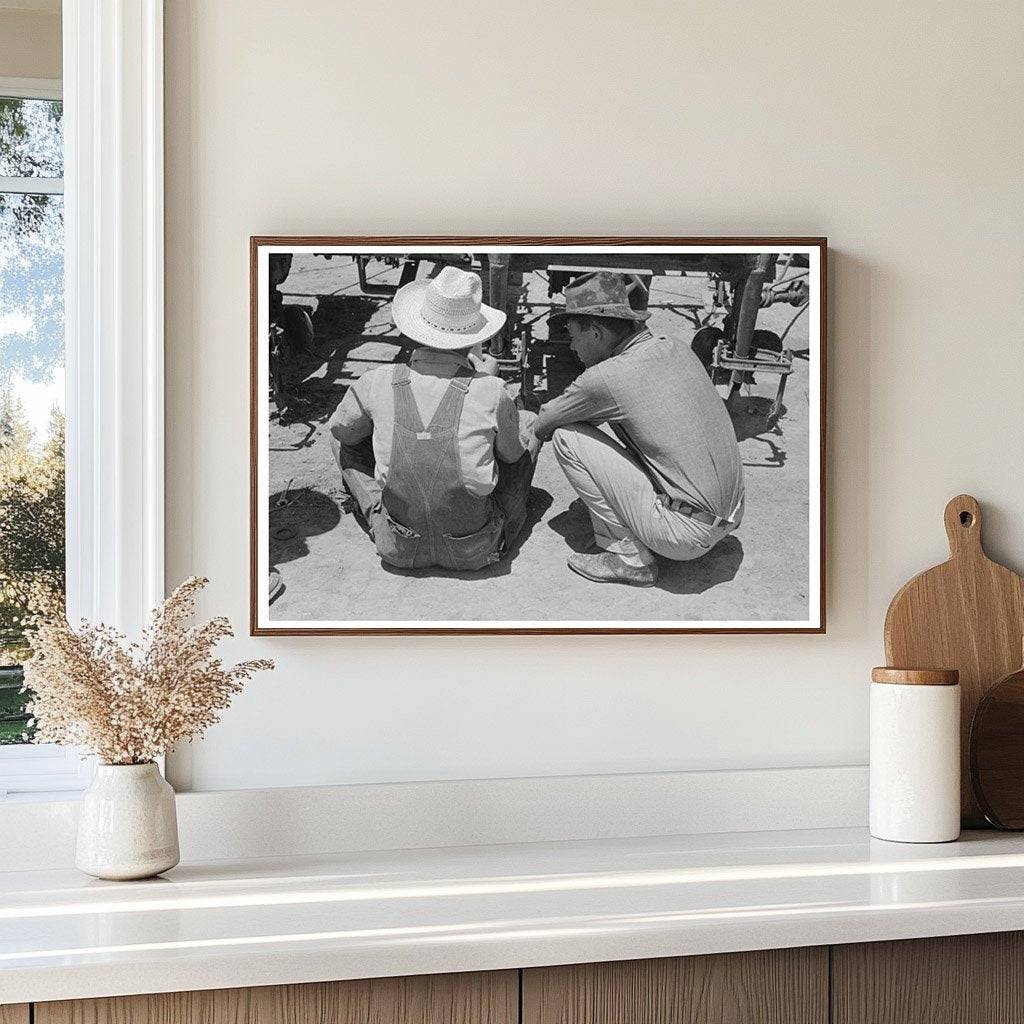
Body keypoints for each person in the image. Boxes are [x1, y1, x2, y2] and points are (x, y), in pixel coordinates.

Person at [533, 272, 744, 587]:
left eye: (573, 335)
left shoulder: (606, 377)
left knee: (568, 437)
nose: (572, 346)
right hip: (732, 516)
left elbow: (544, 424)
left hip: (685, 538)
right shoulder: (674, 346)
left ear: (595, 333)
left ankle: (629, 559)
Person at [327, 265, 539, 572]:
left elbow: (342, 433)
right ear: (473, 339)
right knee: (527, 424)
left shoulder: (376, 381)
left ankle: (377, 512)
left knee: (343, 439)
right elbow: (511, 455)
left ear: (416, 329)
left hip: (398, 547)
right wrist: (484, 383)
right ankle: (498, 533)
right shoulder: (491, 389)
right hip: (475, 551)